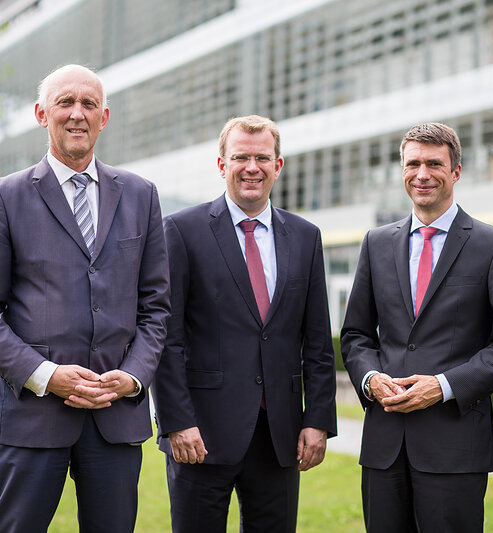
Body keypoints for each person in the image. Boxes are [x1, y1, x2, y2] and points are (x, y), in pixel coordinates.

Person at [0, 64, 170, 533]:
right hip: (31, 417)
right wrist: (46, 376)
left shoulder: (141, 195)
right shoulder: (5, 197)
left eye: (89, 104)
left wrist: (132, 378)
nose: (78, 114)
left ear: (105, 117)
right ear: (41, 113)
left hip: (115, 418)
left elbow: (156, 310)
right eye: (65, 103)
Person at [341, 122, 493, 533]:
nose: (422, 174)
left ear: (456, 171)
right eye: (413, 164)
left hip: (455, 445)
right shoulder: (376, 243)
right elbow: (356, 334)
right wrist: (371, 379)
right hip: (384, 443)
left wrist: (444, 385)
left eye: (434, 164)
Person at [152, 115, 337, 532]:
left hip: (280, 435)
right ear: (222, 165)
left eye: (262, 158)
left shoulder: (306, 236)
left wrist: (317, 419)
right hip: (200, 435)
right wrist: (176, 421)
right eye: (240, 157)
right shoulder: (182, 231)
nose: (251, 167)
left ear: (278, 165)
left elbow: (317, 341)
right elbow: (167, 338)